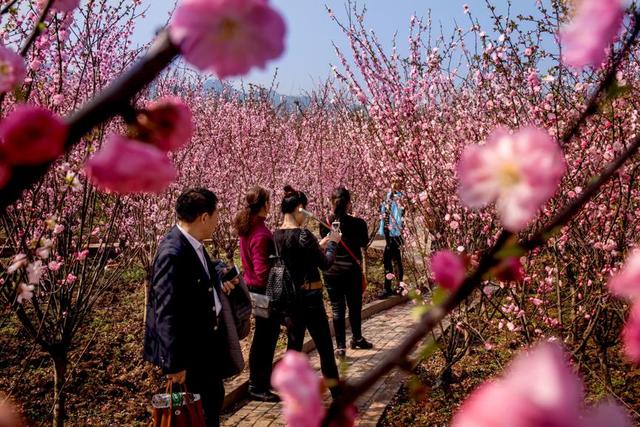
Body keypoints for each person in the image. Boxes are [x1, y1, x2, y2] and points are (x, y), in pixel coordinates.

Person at [144, 188, 251, 427]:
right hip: (190, 354)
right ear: (204, 217)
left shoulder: (192, 244)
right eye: (216, 215)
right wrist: (174, 364)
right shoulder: (172, 253)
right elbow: (165, 310)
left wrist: (221, 275)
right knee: (198, 414)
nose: (217, 221)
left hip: (205, 348)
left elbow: (204, 270)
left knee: (211, 404)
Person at [274, 185, 342, 396]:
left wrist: (318, 243)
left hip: (290, 300)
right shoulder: (303, 235)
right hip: (310, 299)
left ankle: (290, 391)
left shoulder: (275, 235)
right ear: (300, 208)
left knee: (293, 348)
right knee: (324, 347)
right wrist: (332, 243)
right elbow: (326, 264)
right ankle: (337, 393)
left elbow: (300, 256)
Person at [234, 186, 281, 403]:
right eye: (268, 202)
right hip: (263, 292)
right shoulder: (261, 233)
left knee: (264, 337)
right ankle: (257, 385)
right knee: (265, 338)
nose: (270, 205)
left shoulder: (248, 227)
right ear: (263, 205)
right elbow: (263, 272)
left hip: (254, 290)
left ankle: (261, 380)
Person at [320, 187, 373, 358]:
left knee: (337, 308)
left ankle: (340, 346)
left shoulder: (325, 222)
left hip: (332, 271)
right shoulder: (359, 223)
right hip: (352, 270)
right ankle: (357, 338)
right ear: (349, 203)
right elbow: (364, 243)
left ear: (331, 202)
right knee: (354, 306)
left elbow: (326, 242)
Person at [378, 179, 405, 299]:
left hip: (395, 232)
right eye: (392, 181)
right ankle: (397, 286)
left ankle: (389, 288)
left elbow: (400, 215)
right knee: (393, 258)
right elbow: (384, 212)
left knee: (390, 259)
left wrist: (397, 230)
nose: (394, 184)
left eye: (396, 181)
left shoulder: (401, 197)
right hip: (388, 231)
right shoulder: (389, 195)